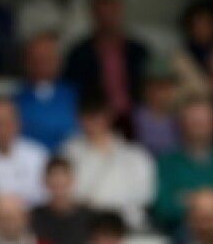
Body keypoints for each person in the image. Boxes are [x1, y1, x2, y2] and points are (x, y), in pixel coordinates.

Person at [61, 94, 155, 231]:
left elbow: (145, 197)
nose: (92, 123)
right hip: (84, 227)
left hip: (126, 226)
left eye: (96, 116)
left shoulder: (136, 156)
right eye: (86, 117)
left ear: (109, 116)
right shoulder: (68, 152)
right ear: (78, 118)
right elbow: (62, 192)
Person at [63, 0, 149, 129]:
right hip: (95, 120)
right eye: (101, 11)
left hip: (134, 119)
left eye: (111, 10)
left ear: (120, 10)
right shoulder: (79, 54)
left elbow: (149, 88)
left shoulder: (138, 51)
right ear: (92, 13)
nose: (107, 17)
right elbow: (73, 92)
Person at [155, 96, 213, 232]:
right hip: (179, 234)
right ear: (181, 125)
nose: (199, 127)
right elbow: (164, 209)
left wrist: (187, 199)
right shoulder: (167, 162)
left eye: (203, 122)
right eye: (193, 122)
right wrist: (209, 201)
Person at [0, 100, 49, 207]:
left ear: (17, 124)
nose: (2, 130)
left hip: (31, 214)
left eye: (6, 123)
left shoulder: (38, 155)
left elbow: (45, 195)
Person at [15, 33, 79, 153]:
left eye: (48, 58)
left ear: (58, 61)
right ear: (26, 63)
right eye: (37, 59)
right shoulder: (15, 101)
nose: (42, 64)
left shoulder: (75, 96)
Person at [31, 157, 92, 244]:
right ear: (45, 182)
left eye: (62, 184)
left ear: (72, 181)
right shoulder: (34, 216)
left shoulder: (88, 217)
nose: (59, 188)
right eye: (55, 184)